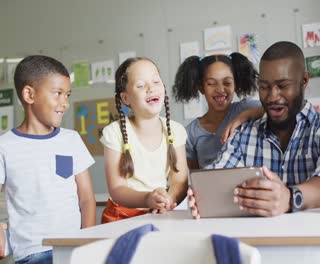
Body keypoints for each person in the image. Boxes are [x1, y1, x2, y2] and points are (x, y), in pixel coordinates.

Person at [189, 41, 320, 218]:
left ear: (304, 81)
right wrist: (203, 195)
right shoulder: (242, 134)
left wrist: (290, 198)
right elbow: (218, 174)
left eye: (283, 86)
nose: (272, 96)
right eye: (264, 87)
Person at [0, 55, 96, 264]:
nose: (65, 103)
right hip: (32, 253)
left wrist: (86, 241)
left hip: (73, 248)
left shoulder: (71, 140)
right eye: (58, 94)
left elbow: (87, 198)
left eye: (67, 95)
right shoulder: (4, 146)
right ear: (29, 94)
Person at [100, 57, 188, 223]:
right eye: (140, 85)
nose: (151, 88)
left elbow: (179, 180)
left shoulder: (176, 130)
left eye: (156, 81)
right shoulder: (114, 132)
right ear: (125, 98)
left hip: (160, 214)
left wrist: (167, 199)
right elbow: (117, 188)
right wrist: (148, 199)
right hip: (121, 218)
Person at [172, 52, 263, 169]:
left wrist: (245, 115)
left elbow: (276, 111)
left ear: (235, 84)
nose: (220, 89)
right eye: (211, 83)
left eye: (227, 82)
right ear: (201, 87)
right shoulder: (190, 133)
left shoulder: (245, 108)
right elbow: (196, 176)